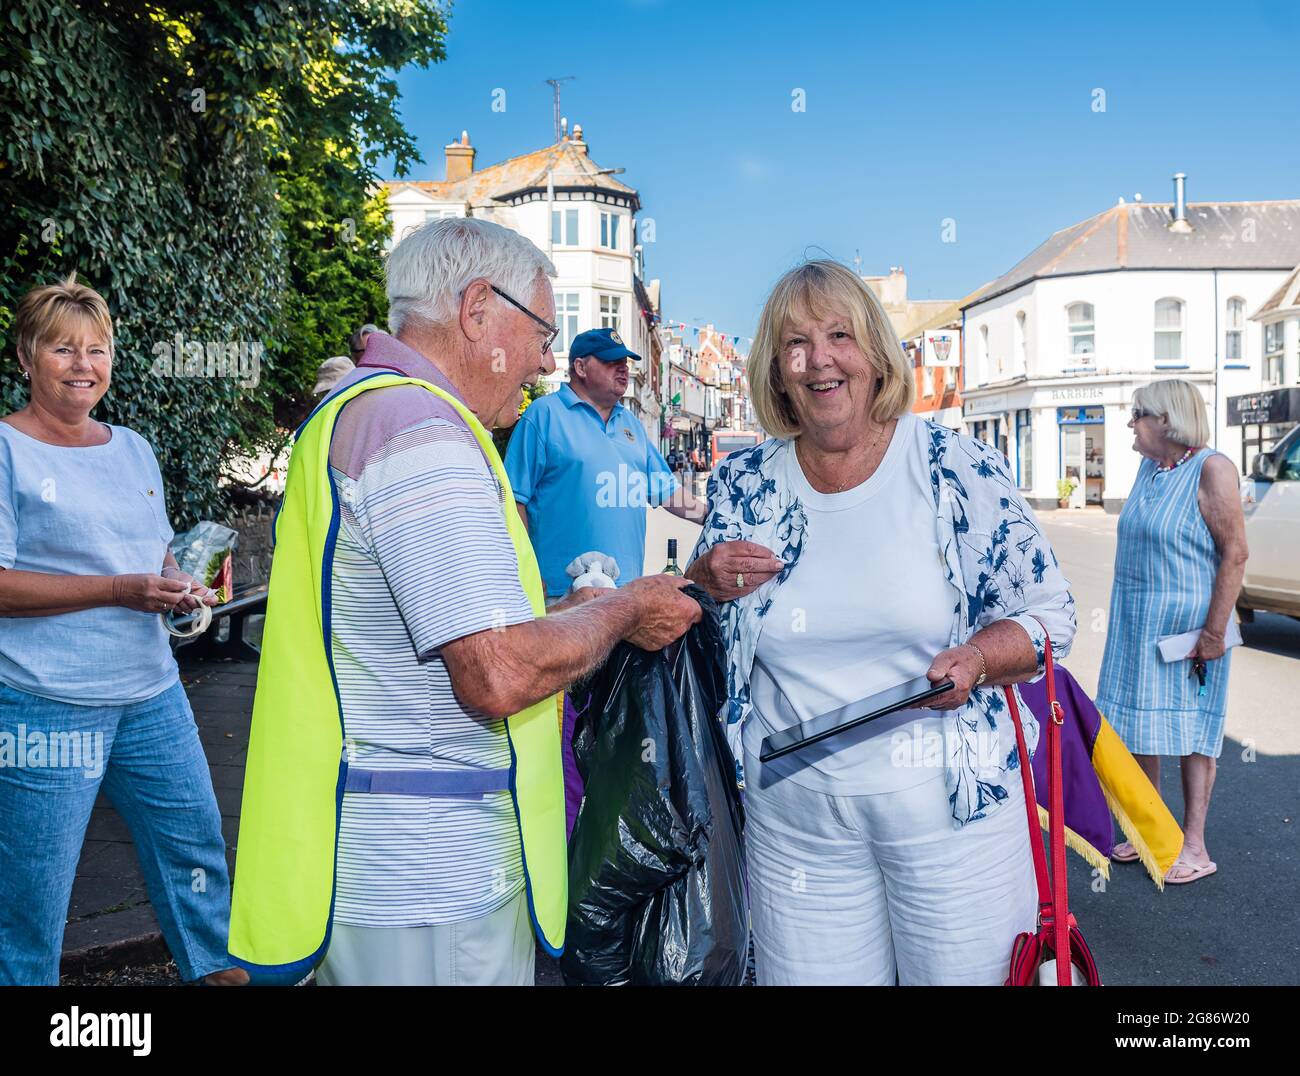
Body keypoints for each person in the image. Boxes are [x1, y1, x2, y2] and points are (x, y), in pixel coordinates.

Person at [227, 217, 700, 986]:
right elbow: (496, 675)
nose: (548, 362)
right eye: (543, 331)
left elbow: (430, 622)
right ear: (478, 308)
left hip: (384, 862)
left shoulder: (367, 411)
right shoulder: (424, 436)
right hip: (435, 882)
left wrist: (563, 610)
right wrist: (621, 612)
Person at [685, 260, 1077, 986]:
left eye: (841, 335)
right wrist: (701, 585)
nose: (820, 358)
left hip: (950, 819)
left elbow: (1052, 614)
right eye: (796, 343)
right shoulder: (745, 483)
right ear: (777, 369)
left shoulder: (952, 466)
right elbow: (706, 631)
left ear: (875, 355)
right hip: (794, 824)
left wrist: (981, 658)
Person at [0, 274, 242, 985]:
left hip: (151, 694)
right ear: (25, 357)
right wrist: (116, 589)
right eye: (63, 349)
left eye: (97, 349)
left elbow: (150, 552)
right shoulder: (8, 451)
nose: (84, 365)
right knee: (33, 894)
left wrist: (174, 584)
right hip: (46, 704)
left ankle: (217, 970)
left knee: (194, 850)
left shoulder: (132, 447)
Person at [1096, 379, 1248, 884]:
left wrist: (1214, 632)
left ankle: (1196, 846)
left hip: (1189, 634)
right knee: (1139, 728)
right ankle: (1153, 832)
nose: (1130, 423)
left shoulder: (1213, 469)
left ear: (1167, 420)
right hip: (1137, 625)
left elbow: (1235, 554)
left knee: (1192, 732)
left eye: (1138, 413)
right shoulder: (1148, 469)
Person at [505, 327, 705, 601]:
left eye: (624, 363)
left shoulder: (631, 424)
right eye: (611, 362)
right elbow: (513, 500)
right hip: (561, 593)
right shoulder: (544, 415)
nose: (623, 369)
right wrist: (528, 573)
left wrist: (714, 516)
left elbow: (667, 490)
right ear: (580, 367)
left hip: (626, 592)